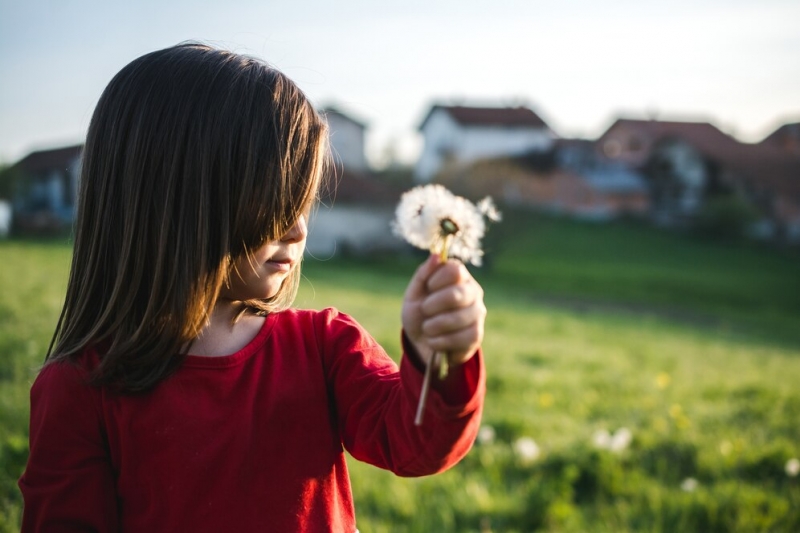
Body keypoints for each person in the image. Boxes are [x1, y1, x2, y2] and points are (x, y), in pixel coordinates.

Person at [18, 43, 486, 532]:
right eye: (275, 203)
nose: (298, 230)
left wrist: (443, 358)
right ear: (174, 199)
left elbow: (416, 444)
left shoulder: (324, 347)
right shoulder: (79, 390)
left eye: (302, 204)